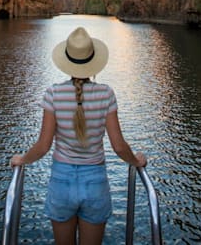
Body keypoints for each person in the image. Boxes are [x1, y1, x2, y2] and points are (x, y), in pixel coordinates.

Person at [10, 26, 147, 245]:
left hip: (61, 183)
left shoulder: (53, 94)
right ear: (93, 62)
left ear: (67, 61)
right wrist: (136, 161)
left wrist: (22, 159)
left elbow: (43, 146)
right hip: (95, 184)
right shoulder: (106, 94)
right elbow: (119, 146)